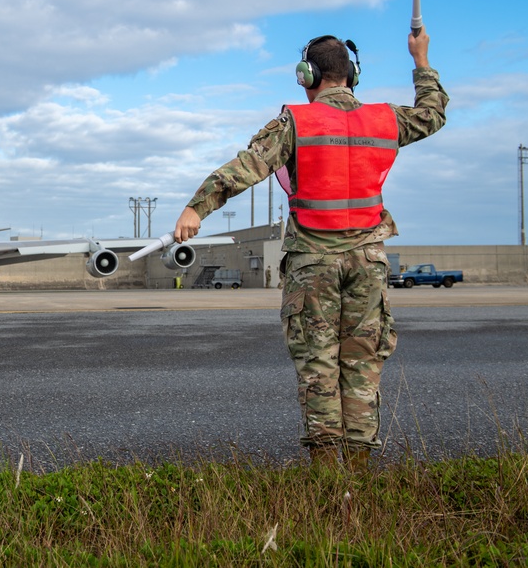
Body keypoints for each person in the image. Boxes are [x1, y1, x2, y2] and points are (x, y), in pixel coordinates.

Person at [173, 28, 448, 468]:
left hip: (313, 264)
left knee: (318, 365)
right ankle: (358, 475)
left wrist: (196, 208)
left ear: (307, 76)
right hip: (368, 261)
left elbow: (246, 168)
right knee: (362, 365)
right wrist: (420, 59)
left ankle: (324, 478)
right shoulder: (386, 119)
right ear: (351, 75)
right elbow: (432, 114)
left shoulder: (297, 123)